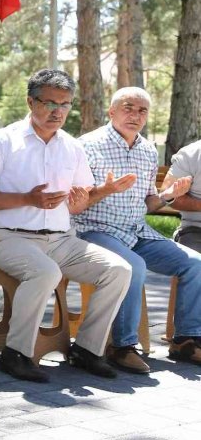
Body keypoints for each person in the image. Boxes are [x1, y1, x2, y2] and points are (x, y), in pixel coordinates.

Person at [0, 69, 131, 383]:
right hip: (10, 240)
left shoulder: (72, 146)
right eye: (50, 103)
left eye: (66, 104)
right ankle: (15, 354)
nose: (58, 111)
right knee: (46, 272)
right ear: (31, 102)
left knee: (119, 270)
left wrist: (101, 192)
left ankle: (86, 349)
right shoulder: (4, 141)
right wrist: (28, 200)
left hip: (61, 241)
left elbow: (76, 203)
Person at [74, 87, 201, 370]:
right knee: (133, 266)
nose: (135, 115)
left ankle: (185, 342)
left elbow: (149, 203)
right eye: (128, 108)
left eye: (142, 110)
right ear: (111, 111)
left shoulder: (146, 150)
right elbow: (75, 201)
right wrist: (104, 190)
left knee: (195, 264)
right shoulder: (87, 146)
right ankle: (122, 346)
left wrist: (169, 194)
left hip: (136, 231)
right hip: (95, 229)